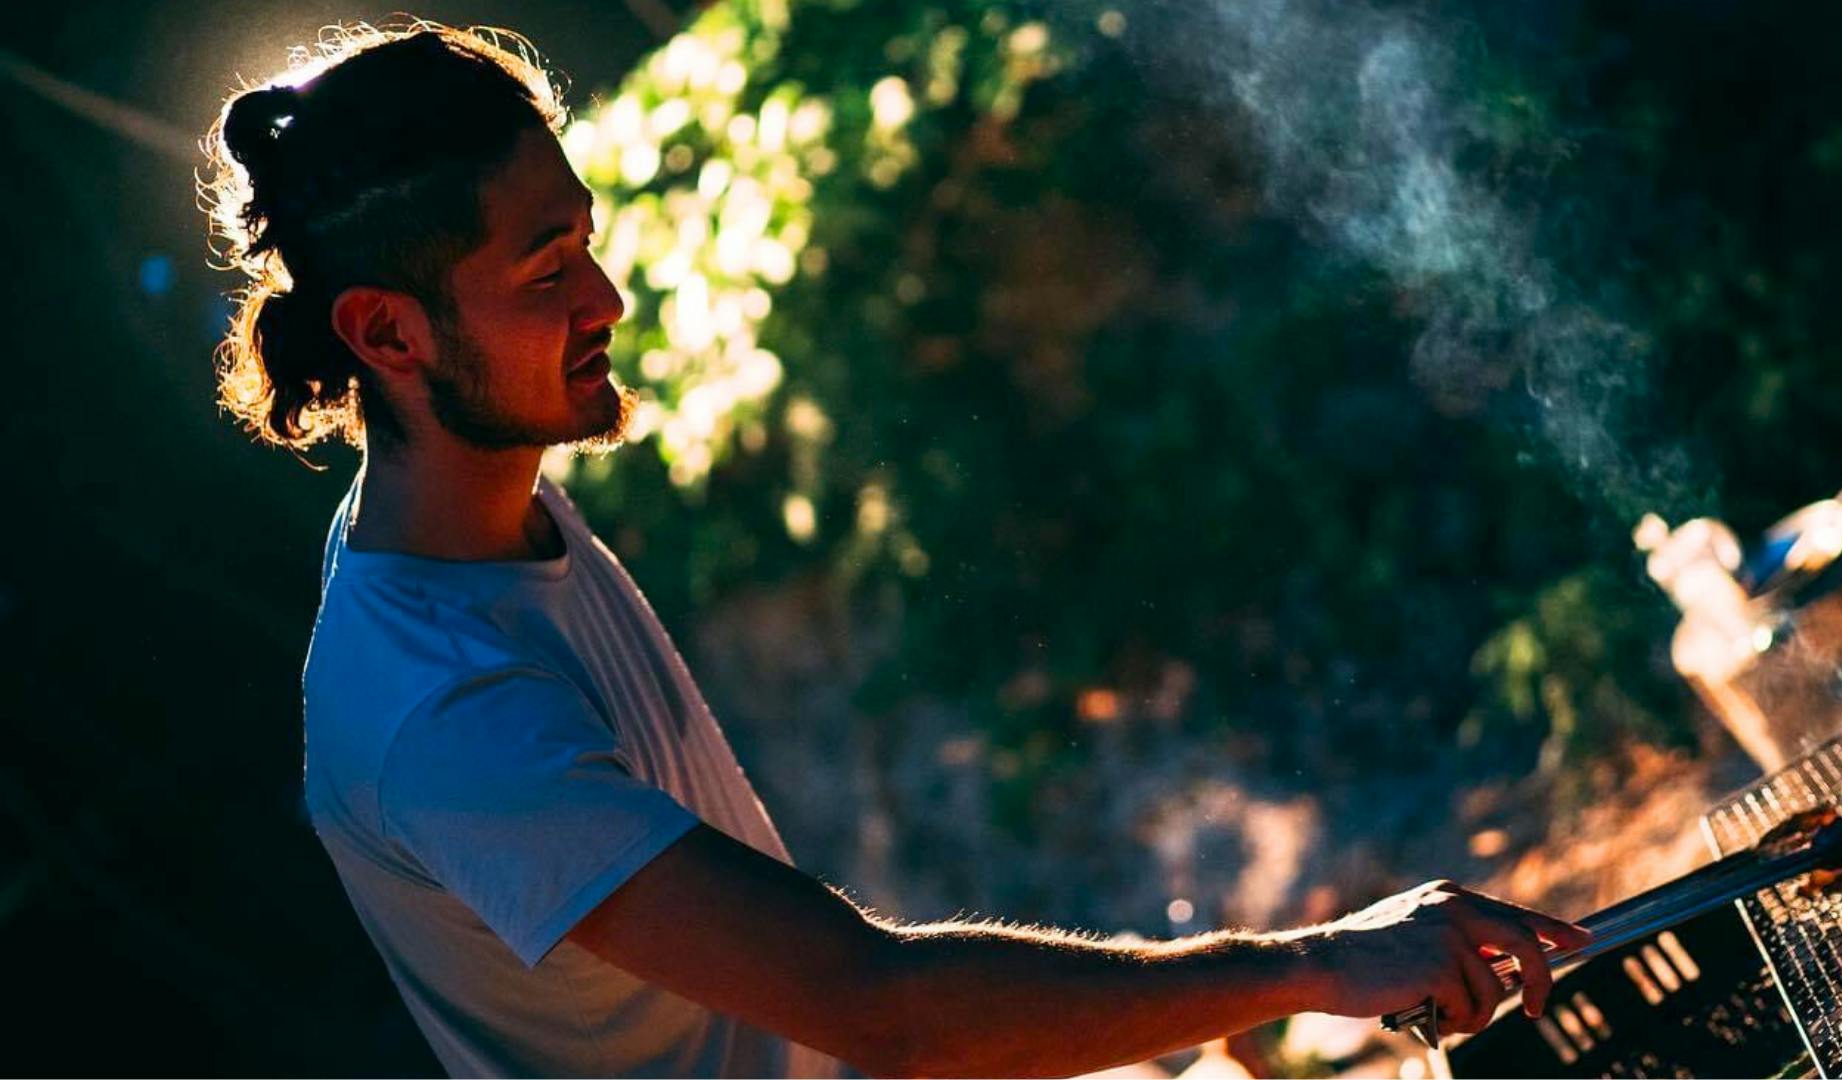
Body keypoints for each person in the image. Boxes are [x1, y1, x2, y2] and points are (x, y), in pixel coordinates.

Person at [206, 21, 1590, 1079]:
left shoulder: (489, 521)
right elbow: (882, 1010)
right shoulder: (443, 714)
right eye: (546, 271)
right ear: (387, 334)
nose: (608, 298)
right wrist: (1313, 965)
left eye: (586, 243)